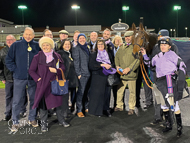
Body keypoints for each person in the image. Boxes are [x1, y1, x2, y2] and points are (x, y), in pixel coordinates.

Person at [141, 36, 186, 137]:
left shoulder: (173, 55)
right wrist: (144, 55)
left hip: (170, 82)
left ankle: (179, 128)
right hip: (159, 83)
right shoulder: (157, 56)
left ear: (169, 46)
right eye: (161, 45)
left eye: (165, 45)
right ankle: (169, 125)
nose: (162, 46)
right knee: (163, 105)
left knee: (174, 106)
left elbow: (182, 65)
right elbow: (149, 64)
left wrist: (181, 80)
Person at [29, 37, 70, 132]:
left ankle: (61, 120)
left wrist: (56, 70)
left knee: (58, 103)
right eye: (43, 45)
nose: (45, 46)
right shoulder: (37, 57)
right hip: (43, 85)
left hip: (55, 84)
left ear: (51, 46)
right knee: (43, 105)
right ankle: (44, 124)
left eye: (47, 45)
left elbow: (63, 68)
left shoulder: (57, 56)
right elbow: (31, 71)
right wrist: (38, 79)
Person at [5, 27, 40, 132]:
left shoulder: (37, 46)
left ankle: (32, 118)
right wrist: (15, 70)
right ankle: (15, 122)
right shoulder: (16, 45)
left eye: (30, 34)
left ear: (34, 36)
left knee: (34, 99)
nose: (28, 36)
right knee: (17, 100)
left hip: (33, 78)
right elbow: (8, 60)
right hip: (19, 78)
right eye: (26, 34)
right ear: (23, 35)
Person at [148, 29, 179, 125]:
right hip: (157, 76)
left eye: (161, 36)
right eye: (159, 37)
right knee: (159, 98)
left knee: (169, 99)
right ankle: (158, 117)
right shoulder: (156, 47)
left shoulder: (173, 47)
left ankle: (170, 120)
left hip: (168, 78)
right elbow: (152, 62)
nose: (159, 38)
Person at [0, 35, 27, 121]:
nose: (9, 41)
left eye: (11, 40)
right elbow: (0, 66)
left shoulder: (20, 49)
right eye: (7, 40)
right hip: (8, 78)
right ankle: (8, 113)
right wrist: (2, 77)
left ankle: (22, 110)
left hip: (19, 77)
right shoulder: (2, 51)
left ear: (15, 40)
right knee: (9, 96)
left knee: (22, 94)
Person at [114, 31, 140, 115]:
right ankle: (119, 105)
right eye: (126, 37)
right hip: (122, 73)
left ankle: (131, 107)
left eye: (129, 36)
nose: (127, 38)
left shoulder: (136, 47)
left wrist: (129, 68)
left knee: (132, 92)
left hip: (131, 74)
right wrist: (117, 66)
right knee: (120, 91)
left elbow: (138, 60)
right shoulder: (121, 47)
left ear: (132, 37)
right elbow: (116, 58)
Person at [88, 39, 115, 117]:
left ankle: (106, 109)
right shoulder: (93, 54)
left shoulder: (108, 54)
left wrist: (110, 66)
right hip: (97, 76)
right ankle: (97, 111)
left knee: (107, 94)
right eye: (99, 44)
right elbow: (91, 65)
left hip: (107, 76)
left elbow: (113, 63)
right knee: (97, 94)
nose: (100, 46)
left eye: (102, 44)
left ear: (104, 46)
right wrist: (102, 65)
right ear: (96, 46)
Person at [58, 39, 78, 116]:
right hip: (64, 78)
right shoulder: (60, 53)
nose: (67, 45)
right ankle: (64, 112)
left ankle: (70, 109)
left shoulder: (71, 53)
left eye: (69, 44)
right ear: (62, 45)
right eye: (65, 44)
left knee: (73, 94)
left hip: (72, 78)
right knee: (64, 96)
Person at [72, 33, 90, 117]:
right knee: (81, 92)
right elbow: (76, 62)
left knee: (87, 92)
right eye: (80, 38)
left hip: (89, 73)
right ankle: (79, 109)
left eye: (83, 38)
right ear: (78, 40)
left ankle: (86, 106)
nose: (82, 39)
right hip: (82, 74)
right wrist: (78, 73)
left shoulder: (87, 47)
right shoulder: (76, 48)